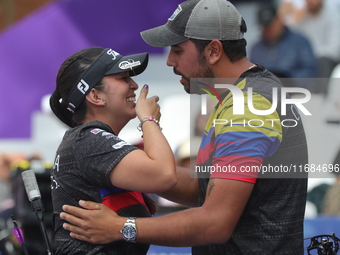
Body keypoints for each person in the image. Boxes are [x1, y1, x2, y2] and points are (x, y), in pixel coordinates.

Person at [59, 1, 308, 254]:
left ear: (213, 51)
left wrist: (121, 227)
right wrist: (127, 171)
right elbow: (204, 188)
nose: (169, 61)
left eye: (177, 50)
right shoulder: (241, 97)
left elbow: (215, 223)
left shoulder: (248, 106)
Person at [49, 47, 177, 254]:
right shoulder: (88, 141)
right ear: (95, 96)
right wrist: (148, 120)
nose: (134, 85)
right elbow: (164, 175)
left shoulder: (89, 141)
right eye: (123, 78)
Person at [250, 3, 317, 83]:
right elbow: (250, 75)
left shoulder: (300, 42)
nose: (268, 29)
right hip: (264, 92)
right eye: (264, 26)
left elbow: (311, 73)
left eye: (271, 25)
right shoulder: (256, 48)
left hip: (295, 92)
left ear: (280, 21)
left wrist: (286, 80)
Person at [286, 0, 340, 93]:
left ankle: (318, 99)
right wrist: (294, 21)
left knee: (322, 61)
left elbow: (333, 49)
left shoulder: (333, 16)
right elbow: (290, 43)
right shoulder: (302, 17)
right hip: (305, 61)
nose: (310, 2)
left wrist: (310, 56)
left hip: (325, 61)